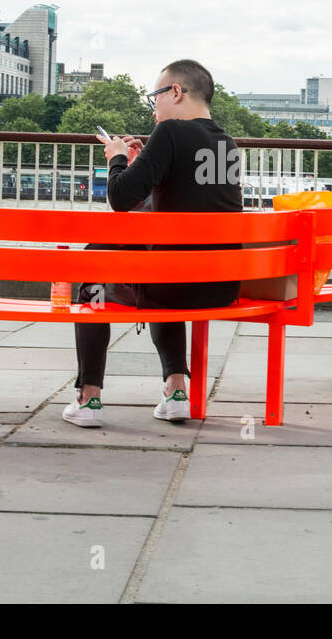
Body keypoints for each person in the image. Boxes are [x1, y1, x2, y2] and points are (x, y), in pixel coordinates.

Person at [63, 59, 243, 427]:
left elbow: (120, 199)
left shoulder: (171, 132)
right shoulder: (227, 142)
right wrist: (144, 162)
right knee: (168, 263)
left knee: (93, 262)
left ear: (175, 92)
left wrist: (115, 159)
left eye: (155, 97)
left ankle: (88, 398)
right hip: (221, 285)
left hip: (173, 286)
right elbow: (182, 204)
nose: (155, 107)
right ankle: (177, 390)